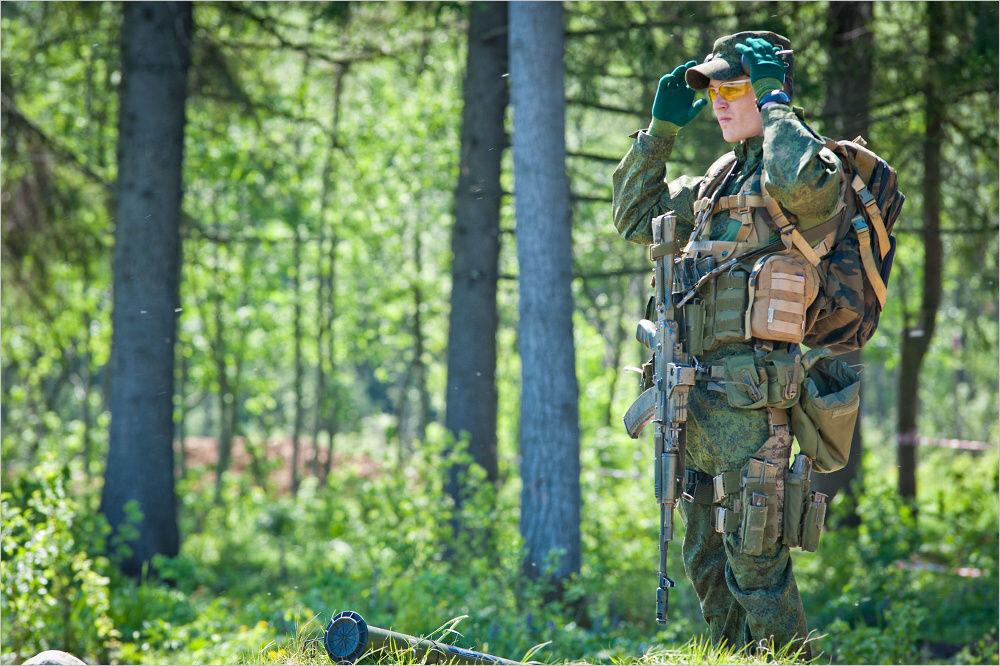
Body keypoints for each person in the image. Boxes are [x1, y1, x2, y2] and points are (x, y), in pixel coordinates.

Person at [612, 31, 845, 655]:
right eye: (712, 88)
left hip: (753, 406)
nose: (718, 100)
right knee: (708, 567)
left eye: (734, 86)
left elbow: (805, 186)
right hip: (698, 406)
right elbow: (637, 217)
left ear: (770, 91)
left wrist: (776, 106)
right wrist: (660, 131)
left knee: (757, 570)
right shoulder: (716, 181)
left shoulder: (800, 168)